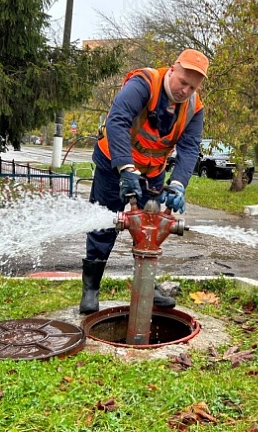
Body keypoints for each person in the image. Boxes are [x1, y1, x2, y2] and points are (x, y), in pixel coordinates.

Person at [79, 49, 209, 314]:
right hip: (114, 162)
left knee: (150, 225)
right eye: (182, 82)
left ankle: (147, 284)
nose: (185, 90)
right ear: (173, 69)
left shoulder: (195, 108)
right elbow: (117, 121)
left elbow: (190, 148)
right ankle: (91, 289)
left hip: (152, 170)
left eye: (192, 87)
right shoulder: (144, 83)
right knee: (105, 222)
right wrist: (126, 168)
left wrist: (178, 185)